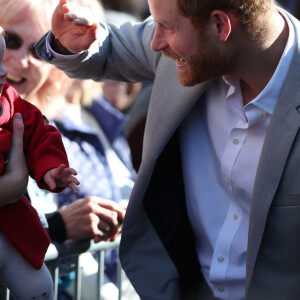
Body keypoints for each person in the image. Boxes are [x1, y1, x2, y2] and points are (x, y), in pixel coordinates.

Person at [35, 0, 300, 299]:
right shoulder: (186, 39)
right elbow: (104, 47)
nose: (155, 41)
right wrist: (70, 39)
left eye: (168, 28)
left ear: (220, 26)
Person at [0, 0, 137, 299]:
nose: (21, 61)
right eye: (10, 40)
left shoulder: (41, 128)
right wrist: (59, 225)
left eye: (37, 49)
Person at [0, 25, 79, 299]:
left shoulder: (10, 101)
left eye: (36, 48)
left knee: (40, 289)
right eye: (12, 41)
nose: (5, 70)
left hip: (11, 225)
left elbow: (40, 134)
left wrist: (50, 168)